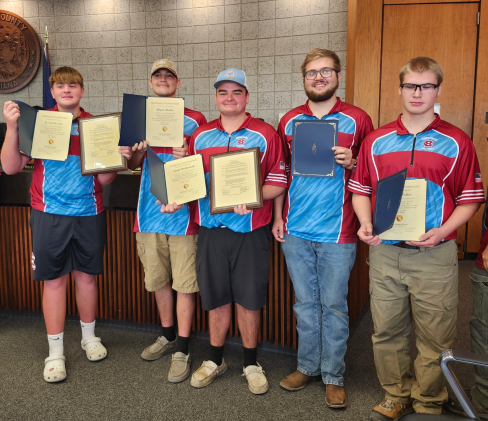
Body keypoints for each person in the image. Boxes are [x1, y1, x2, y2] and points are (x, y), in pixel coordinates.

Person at [348, 56, 485, 419]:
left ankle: (429, 400)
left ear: (438, 90)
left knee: (434, 335)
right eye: (411, 85)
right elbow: (360, 188)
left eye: (426, 86)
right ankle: (396, 393)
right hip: (385, 253)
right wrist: (365, 223)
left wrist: (444, 230)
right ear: (400, 89)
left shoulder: (456, 142)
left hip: (434, 255)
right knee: (386, 329)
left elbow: (469, 199)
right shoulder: (376, 141)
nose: (418, 92)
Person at [160, 68, 287, 394]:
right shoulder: (200, 135)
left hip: (250, 231)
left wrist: (257, 196)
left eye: (236, 92)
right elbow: (187, 178)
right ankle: (215, 359)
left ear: (246, 96)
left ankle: (250, 362)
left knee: (248, 300)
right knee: (216, 299)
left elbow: (279, 180)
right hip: (211, 231)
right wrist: (175, 198)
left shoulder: (265, 134)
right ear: (216, 97)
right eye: (223, 93)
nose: (229, 98)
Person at [1, 66, 117, 382]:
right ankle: (55, 353)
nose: (67, 89)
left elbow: (105, 179)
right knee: (54, 281)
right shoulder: (37, 123)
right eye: (61, 85)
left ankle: (89, 338)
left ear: (82, 90)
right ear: (52, 92)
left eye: (73, 85)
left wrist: (113, 157)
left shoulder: (96, 126)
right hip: (49, 214)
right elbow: (10, 167)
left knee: (87, 279)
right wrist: (12, 127)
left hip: (89, 212)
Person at [272, 48, 373, 408]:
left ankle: (333, 375)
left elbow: (371, 174)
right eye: (312, 72)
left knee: (333, 305)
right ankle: (307, 367)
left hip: (338, 231)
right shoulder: (288, 120)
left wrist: (355, 159)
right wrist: (278, 216)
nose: (319, 77)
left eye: (326, 71)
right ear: (303, 79)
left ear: (337, 76)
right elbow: (279, 173)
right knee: (304, 304)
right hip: (296, 229)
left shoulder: (358, 119)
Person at [118, 59, 206, 383]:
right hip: (149, 212)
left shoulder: (196, 119)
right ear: (151, 82)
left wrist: (189, 155)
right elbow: (133, 164)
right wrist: (134, 152)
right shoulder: (137, 115)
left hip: (183, 214)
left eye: (169, 75)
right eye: (158, 75)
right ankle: (167, 335)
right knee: (158, 279)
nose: (164, 79)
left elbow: (204, 163)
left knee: (185, 282)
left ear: (178, 82)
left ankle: (182, 347)